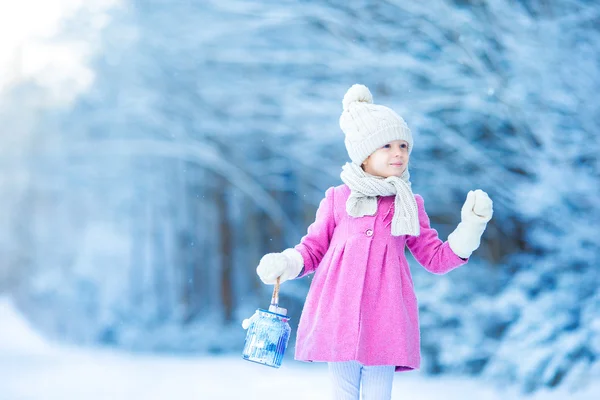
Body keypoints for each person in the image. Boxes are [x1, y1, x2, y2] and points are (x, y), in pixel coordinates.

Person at [255, 84, 493, 400]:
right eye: (387, 146)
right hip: (339, 313)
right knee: (343, 393)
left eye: (404, 145)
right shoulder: (338, 199)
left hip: (386, 317)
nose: (398, 153)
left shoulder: (408, 203)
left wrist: (470, 229)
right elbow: (313, 248)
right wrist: (286, 263)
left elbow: (434, 258)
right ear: (364, 154)